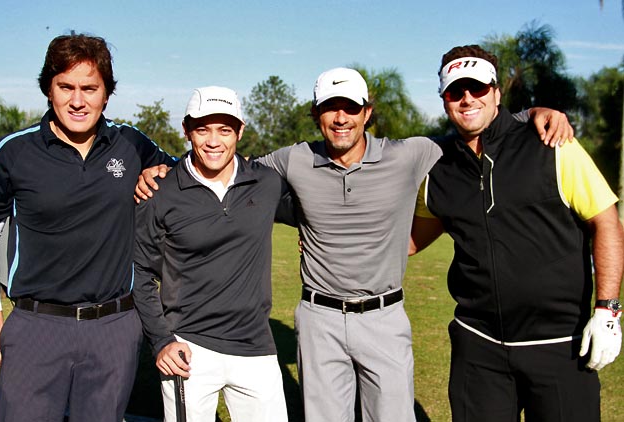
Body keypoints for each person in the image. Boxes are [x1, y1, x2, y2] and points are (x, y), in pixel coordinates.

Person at [136, 68, 573, 421]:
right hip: (318, 318)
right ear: (316, 115)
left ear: (367, 113)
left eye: (351, 108)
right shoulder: (292, 160)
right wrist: (163, 171)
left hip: (384, 316)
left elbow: (471, 129)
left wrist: (532, 113)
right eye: (330, 109)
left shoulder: (410, 153)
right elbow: (217, 162)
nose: (340, 118)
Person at [410, 44, 624, 422]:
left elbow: (605, 220)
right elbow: (409, 241)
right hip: (479, 348)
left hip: (560, 346)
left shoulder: (551, 144)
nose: (466, 99)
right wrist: (327, 240)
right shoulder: (437, 167)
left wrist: (608, 311)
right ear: (443, 98)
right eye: (455, 91)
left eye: (477, 88)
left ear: (496, 93)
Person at [0, 34, 177, 422]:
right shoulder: (14, 151)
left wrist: (161, 170)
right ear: (48, 90)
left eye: (90, 88)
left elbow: (189, 174)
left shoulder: (130, 144)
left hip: (114, 328)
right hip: (37, 325)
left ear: (107, 94)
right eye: (66, 87)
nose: (78, 100)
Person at [132, 86, 294, 422]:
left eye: (224, 129)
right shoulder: (159, 192)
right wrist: (161, 340)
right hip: (188, 347)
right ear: (187, 130)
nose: (213, 141)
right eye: (202, 129)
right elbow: (140, 273)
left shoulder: (266, 183)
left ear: (240, 131)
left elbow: (319, 211)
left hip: (255, 347)